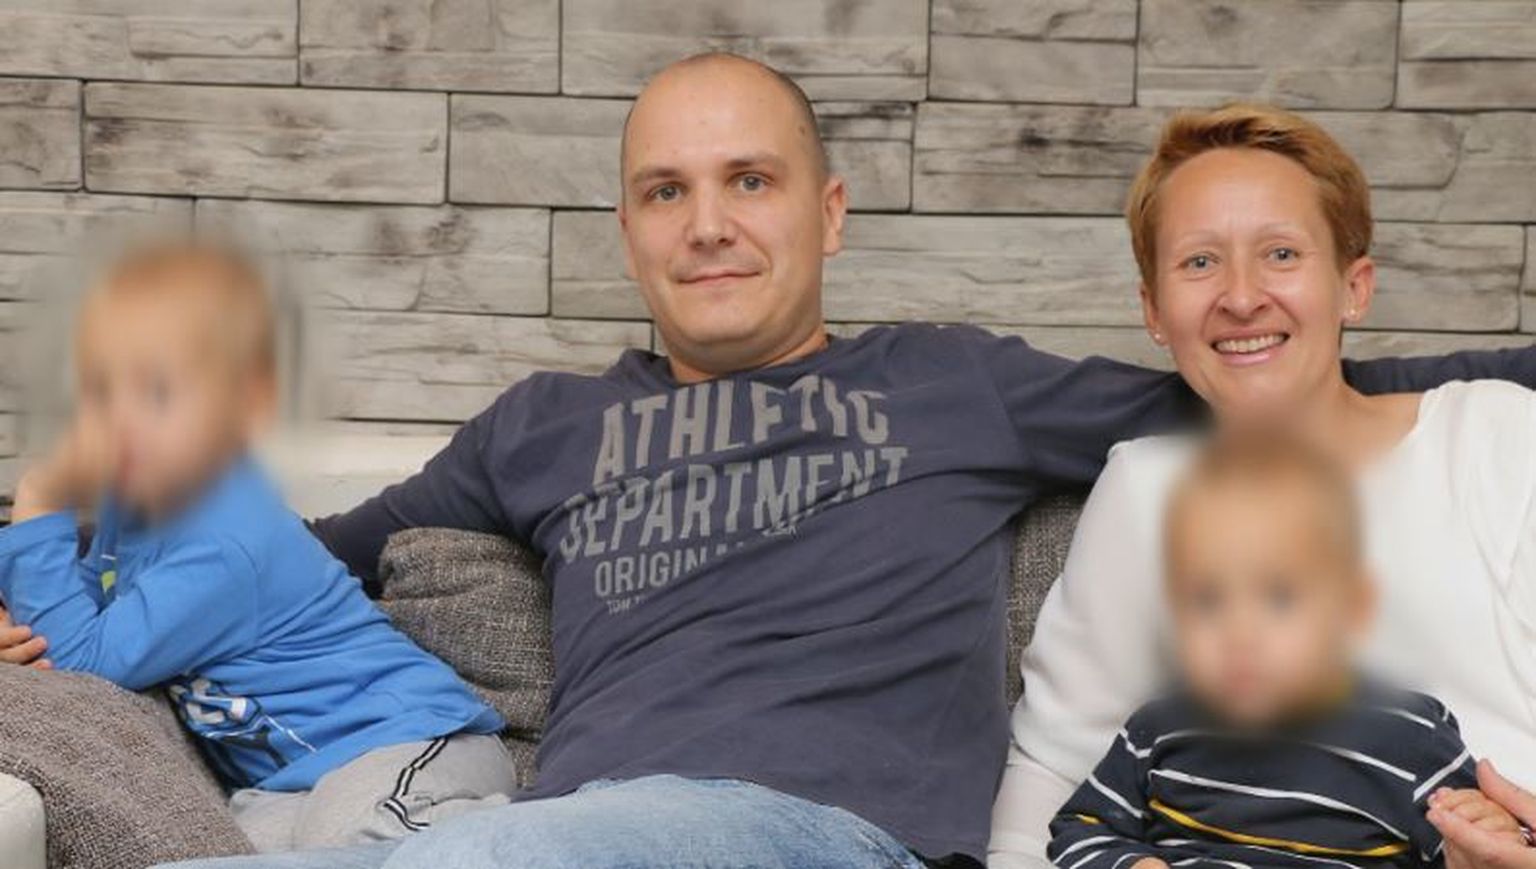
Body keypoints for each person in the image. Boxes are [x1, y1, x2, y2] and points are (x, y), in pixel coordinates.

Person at [3, 55, 1527, 869]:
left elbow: (1247, 363)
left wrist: (1442, 376)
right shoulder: (540, 427)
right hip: (578, 838)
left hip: (832, 836)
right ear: (628, 230)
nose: (710, 223)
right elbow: (304, 547)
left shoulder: (953, 383)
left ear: (830, 212)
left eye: (750, 179)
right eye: (667, 191)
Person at [989, 104, 1536, 867]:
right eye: (1199, 262)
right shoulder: (1147, 490)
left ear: (1354, 287)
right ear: (1154, 310)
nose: (1241, 296)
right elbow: (1052, 771)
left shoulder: (1497, 433)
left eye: (1281, 253)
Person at [0, 245, 514, 852]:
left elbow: (86, 662)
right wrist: (19, 638)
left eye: (157, 392)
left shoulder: (224, 538)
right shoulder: (132, 509)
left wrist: (39, 498)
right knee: (230, 855)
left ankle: (508, 841)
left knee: (359, 836)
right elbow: (68, 631)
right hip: (290, 783)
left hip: (407, 742)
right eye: (99, 390)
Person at [1048, 432, 1520, 868]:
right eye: (1207, 600)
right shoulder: (1158, 729)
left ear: (1350, 609)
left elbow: (1483, 850)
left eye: (1279, 597)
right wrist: (1135, 865)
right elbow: (1080, 829)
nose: (1240, 632)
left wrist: (1486, 837)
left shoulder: (1408, 737)